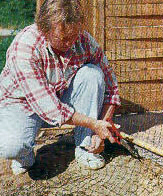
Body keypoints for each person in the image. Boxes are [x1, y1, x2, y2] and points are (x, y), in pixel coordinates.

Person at [0, 0, 120, 175]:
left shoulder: (83, 40)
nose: (70, 43)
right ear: (44, 30)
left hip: (58, 96)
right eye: (63, 39)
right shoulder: (25, 48)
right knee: (11, 147)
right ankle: (24, 156)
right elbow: (51, 109)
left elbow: (112, 87)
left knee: (93, 74)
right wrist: (94, 124)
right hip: (21, 104)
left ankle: (86, 147)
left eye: (74, 36)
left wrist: (102, 126)